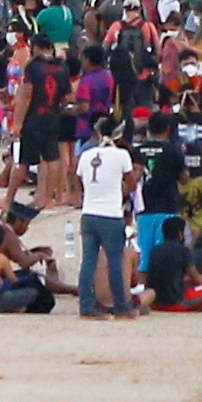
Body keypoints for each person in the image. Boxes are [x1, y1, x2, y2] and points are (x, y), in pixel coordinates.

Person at [75, 117, 136, 318]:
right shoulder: (121, 155)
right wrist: (121, 193)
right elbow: (132, 183)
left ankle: (86, 305)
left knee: (88, 261)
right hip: (111, 214)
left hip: (89, 213)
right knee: (115, 262)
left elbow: (78, 181)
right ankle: (121, 306)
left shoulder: (86, 154)